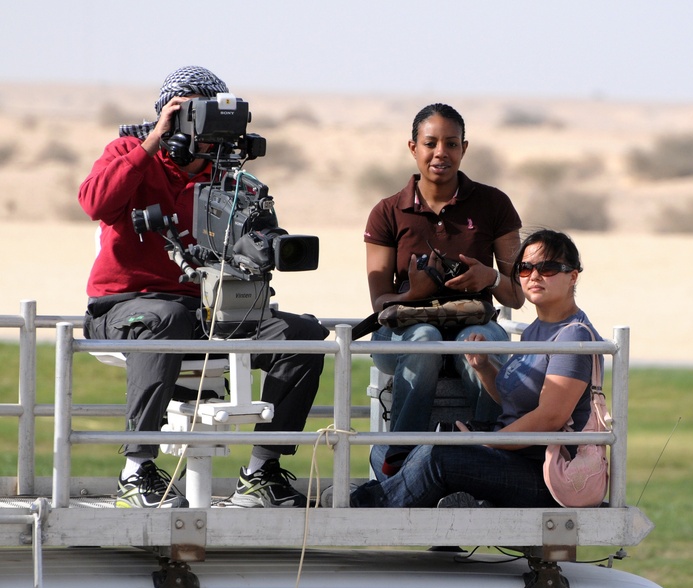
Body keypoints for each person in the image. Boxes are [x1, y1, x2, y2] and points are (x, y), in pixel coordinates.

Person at [79, 66, 329, 509]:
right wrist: (152, 141)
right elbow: (95, 202)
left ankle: (261, 474)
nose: (205, 131)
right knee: (166, 318)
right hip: (121, 309)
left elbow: (255, 242)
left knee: (304, 340)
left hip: (205, 313)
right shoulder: (128, 151)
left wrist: (262, 248)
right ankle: (135, 472)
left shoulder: (227, 178)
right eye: (191, 114)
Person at [350, 229, 601, 508]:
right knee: (387, 449)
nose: (535, 276)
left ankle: (366, 505)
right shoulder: (535, 331)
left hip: (545, 473)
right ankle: (397, 493)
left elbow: (550, 418)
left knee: (439, 455)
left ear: (573, 276)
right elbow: (514, 400)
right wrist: (483, 368)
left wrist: (485, 442)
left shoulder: (572, 336)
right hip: (514, 457)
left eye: (549, 268)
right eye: (525, 268)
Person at [363, 103, 525, 479]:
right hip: (404, 330)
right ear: (412, 148)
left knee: (481, 341)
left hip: (474, 323)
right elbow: (379, 301)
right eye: (431, 143)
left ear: (464, 149)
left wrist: (490, 279)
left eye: (451, 144)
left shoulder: (494, 204)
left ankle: (488, 452)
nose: (441, 153)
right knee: (426, 339)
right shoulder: (387, 212)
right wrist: (413, 293)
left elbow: (516, 295)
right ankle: (399, 459)